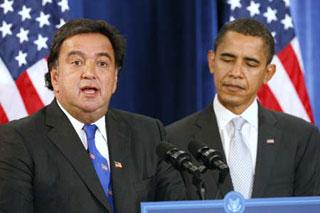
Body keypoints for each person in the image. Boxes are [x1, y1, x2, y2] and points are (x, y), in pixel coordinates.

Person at [0, 19, 185, 213]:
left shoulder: (149, 133)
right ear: (55, 77)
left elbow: (176, 207)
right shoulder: (18, 140)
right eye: (77, 62)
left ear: (115, 79)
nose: (89, 73)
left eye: (102, 63)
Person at [167, 18, 320, 200]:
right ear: (211, 61)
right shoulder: (174, 139)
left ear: (268, 73)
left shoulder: (301, 137)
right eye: (227, 59)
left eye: (250, 64)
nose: (236, 72)